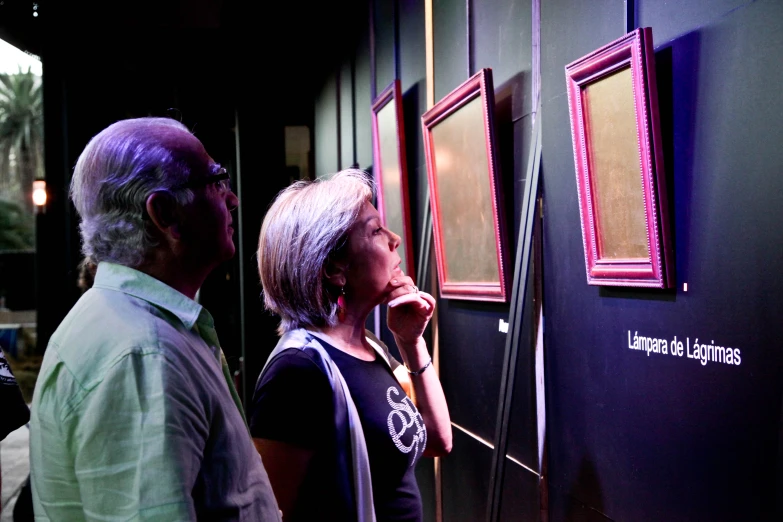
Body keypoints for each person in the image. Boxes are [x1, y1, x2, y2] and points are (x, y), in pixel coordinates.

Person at [29, 117, 281, 521]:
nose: (231, 199)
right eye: (216, 181)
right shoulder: (144, 355)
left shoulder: (129, 325)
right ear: (165, 213)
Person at [250, 169, 452, 522]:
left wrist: (411, 341)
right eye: (375, 231)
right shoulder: (299, 370)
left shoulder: (369, 347)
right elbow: (269, 513)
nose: (394, 239)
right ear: (334, 267)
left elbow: (436, 440)